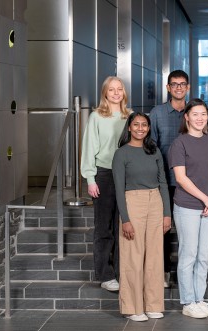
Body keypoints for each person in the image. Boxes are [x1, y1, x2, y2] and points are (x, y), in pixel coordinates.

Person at [168, 98, 208, 319]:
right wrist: (206, 199)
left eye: (203, 114)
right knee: (189, 254)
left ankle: (199, 299)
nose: (200, 118)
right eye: (195, 114)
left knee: (203, 255)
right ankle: (188, 301)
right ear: (187, 117)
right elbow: (181, 178)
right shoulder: (179, 143)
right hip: (188, 206)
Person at [112, 112, 171, 322]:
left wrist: (166, 214)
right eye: (136, 124)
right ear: (129, 128)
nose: (140, 128)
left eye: (144, 125)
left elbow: (163, 182)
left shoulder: (154, 151)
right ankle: (133, 307)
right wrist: (125, 219)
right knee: (133, 256)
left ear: (148, 128)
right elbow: (119, 189)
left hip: (155, 201)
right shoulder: (121, 154)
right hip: (132, 202)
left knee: (155, 256)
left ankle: (153, 305)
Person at [81, 76, 130, 291]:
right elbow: (89, 148)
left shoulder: (130, 117)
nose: (116, 93)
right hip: (104, 175)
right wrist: (90, 178)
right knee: (104, 227)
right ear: (105, 93)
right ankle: (105, 274)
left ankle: (122, 273)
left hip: (127, 175)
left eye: (120, 89)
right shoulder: (96, 117)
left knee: (124, 226)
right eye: (112, 90)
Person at [150, 69, 189, 288]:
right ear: (168, 88)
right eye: (174, 84)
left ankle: (185, 273)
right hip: (164, 181)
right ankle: (163, 271)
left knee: (186, 229)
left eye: (182, 84)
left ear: (188, 87)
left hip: (189, 183)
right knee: (163, 229)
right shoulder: (156, 113)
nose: (178, 88)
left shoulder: (194, 111)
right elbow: (151, 148)